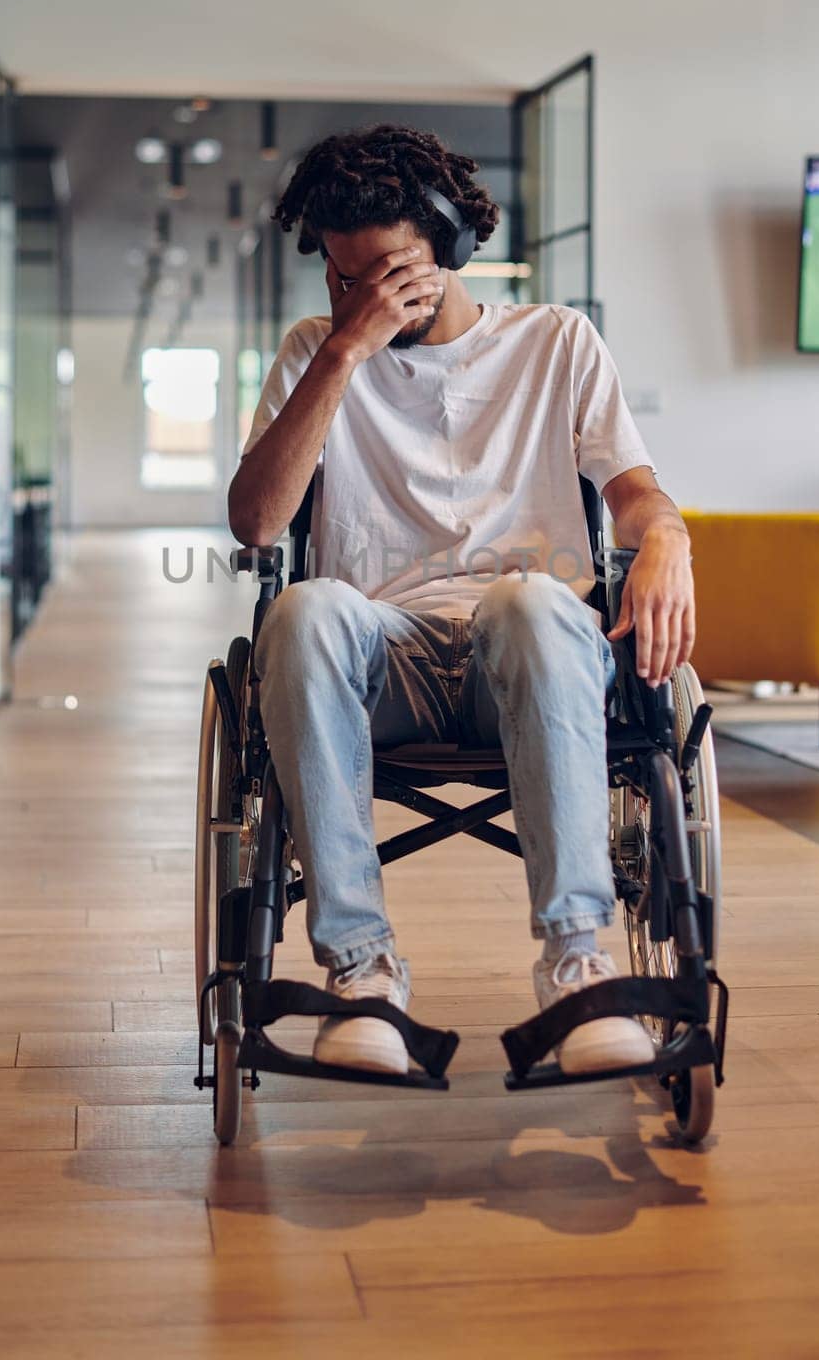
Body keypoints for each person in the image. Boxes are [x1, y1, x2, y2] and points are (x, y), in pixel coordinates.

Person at [228, 123, 696, 1078]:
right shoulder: (315, 353)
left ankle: (576, 965)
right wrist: (345, 352)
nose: (360, 295)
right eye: (340, 276)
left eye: (385, 272)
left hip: (525, 654)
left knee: (528, 599)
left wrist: (667, 539)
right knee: (303, 607)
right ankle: (360, 972)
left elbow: (634, 491)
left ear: (449, 247)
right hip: (378, 659)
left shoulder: (556, 342)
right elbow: (257, 524)